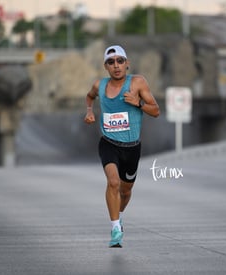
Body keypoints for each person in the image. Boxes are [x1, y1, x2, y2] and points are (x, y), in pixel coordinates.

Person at [84, 45, 160, 247]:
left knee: (125, 192)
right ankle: (115, 228)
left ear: (127, 64)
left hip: (132, 147)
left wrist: (138, 103)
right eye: (111, 62)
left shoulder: (137, 83)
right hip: (108, 143)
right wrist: (89, 111)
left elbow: (156, 111)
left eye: (119, 61)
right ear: (105, 66)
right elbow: (89, 97)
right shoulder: (99, 85)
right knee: (113, 183)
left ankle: (119, 214)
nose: (116, 65)